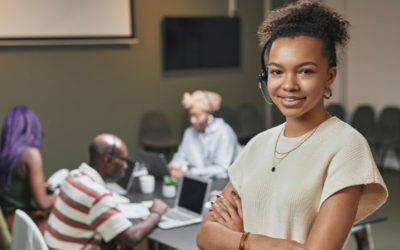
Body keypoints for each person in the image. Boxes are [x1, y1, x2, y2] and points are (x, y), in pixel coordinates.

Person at [197, 1, 388, 249]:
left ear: (329, 76)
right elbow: (204, 236)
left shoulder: (347, 147)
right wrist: (250, 240)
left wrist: (238, 238)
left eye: (305, 71)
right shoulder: (258, 145)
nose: (288, 85)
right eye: (277, 72)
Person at [44, 134, 168, 249]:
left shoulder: (73, 177)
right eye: (124, 160)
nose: (126, 166)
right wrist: (157, 212)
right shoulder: (97, 195)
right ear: (108, 160)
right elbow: (132, 237)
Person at [0, 105, 57, 233]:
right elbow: (42, 203)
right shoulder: (31, 154)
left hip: (6, 225)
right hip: (25, 227)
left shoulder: (4, 155)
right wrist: (61, 195)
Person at [168, 90, 241, 179]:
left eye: (196, 116)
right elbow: (181, 156)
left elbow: (222, 169)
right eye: (190, 115)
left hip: (225, 183)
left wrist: (190, 172)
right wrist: (173, 166)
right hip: (200, 182)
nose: (192, 120)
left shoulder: (224, 133)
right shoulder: (189, 132)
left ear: (209, 114)